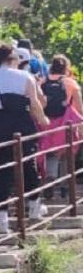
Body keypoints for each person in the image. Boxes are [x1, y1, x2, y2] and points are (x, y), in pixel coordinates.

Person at [0, 43, 51, 234]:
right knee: (28, 166)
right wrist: (43, 121)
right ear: (12, 59)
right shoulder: (25, 76)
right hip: (21, 123)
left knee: (1, 173)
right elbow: (34, 104)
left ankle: (2, 221)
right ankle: (34, 208)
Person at [37, 55, 83, 199]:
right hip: (67, 123)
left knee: (51, 154)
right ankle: (65, 188)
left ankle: (50, 178)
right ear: (66, 68)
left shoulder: (42, 82)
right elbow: (80, 108)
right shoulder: (71, 83)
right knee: (67, 155)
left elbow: (38, 103)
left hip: (48, 123)